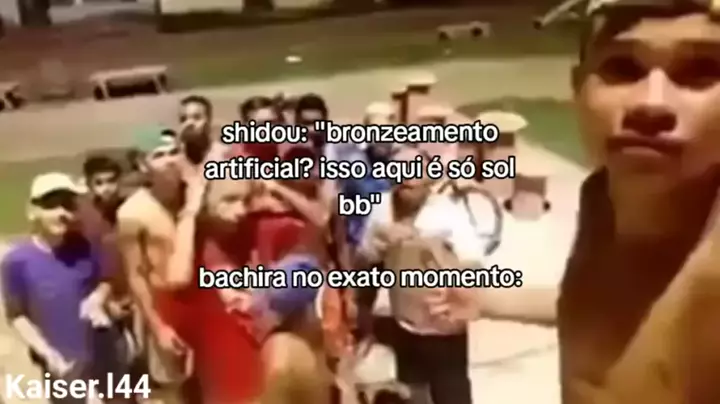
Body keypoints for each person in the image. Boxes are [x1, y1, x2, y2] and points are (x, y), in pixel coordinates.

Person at [555, 0, 720, 402]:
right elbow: (614, 307)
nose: (651, 104)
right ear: (578, 88)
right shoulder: (601, 198)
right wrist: (485, 301)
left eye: (701, 70)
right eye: (623, 68)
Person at [355, 147, 490, 404]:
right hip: (404, 325)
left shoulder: (448, 213)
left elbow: (474, 262)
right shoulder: (381, 209)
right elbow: (363, 265)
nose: (408, 178)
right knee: (411, 394)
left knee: (452, 393)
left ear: (430, 180)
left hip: (444, 329)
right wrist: (377, 245)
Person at [0, 172, 121, 404]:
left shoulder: (86, 246)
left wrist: (98, 297)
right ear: (32, 211)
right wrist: (47, 353)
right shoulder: (17, 262)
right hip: (63, 366)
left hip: (104, 356)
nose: (62, 213)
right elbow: (17, 315)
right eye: (51, 205)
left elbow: (107, 279)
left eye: (67, 205)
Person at [161, 175, 265, 404]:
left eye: (245, 201)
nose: (240, 210)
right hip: (220, 367)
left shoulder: (246, 234)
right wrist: (190, 212)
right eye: (229, 200)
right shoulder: (192, 242)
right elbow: (177, 278)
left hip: (253, 361)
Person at [116, 129, 199, 404]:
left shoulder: (197, 196)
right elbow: (136, 276)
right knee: (173, 392)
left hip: (204, 304)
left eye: (174, 152)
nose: (170, 160)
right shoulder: (132, 213)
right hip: (165, 309)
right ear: (143, 165)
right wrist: (159, 327)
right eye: (159, 155)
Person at [179, 95, 215, 165]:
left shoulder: (224, 157)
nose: (189, 123)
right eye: (183, 119)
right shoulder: (171, 159)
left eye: (197, 117)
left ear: (209, 121)